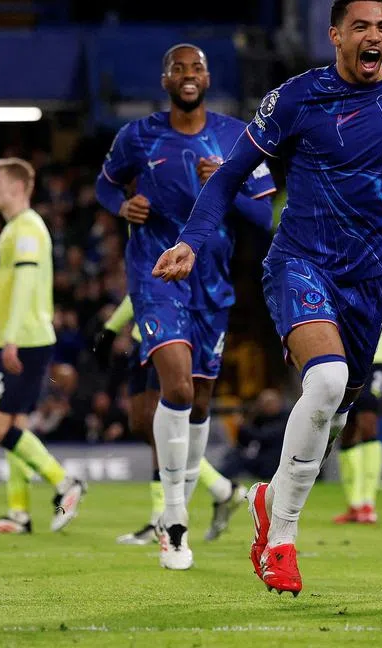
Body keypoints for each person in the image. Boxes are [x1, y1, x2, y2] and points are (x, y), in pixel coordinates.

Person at [152, 0, 382, 595]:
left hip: (369, 282)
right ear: (335, 36)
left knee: (336, 415)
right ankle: (281, 537)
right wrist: (191, 239)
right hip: (301, 263)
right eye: (361, 26)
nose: (375, 37)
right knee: (329, 381)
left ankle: (267, 502)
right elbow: (232, 173)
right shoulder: (295, 98)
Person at [96, 44, 275, 569]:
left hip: (211, 285)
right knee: (173, 388)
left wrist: (224, 180)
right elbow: (106, 185)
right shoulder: (138, 136)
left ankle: (195, 500)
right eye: (179, 68)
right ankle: (173, 521)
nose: (188, 75)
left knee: (198, 404)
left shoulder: (237, 136)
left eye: (196, 67)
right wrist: (121, 205)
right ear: (165, 78)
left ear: (207, 76)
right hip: (155, 277)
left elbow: (262, 218)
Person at [0, 158, 86, 536]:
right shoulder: (15, 229)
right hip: (21, 338)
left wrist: (10, 339)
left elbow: (24, 285)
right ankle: (18, 514)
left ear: (19, 187)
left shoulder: (26, 229)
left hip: (24, 340)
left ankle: (65, 482)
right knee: (15, 425)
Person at [93, 296, 248, 544]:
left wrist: (112, 325)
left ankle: (159, 518)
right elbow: (140, 279)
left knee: (158, 423)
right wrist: (113, 326)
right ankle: (222, 489)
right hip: (142, 334)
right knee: (142, 424)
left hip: (168, 331)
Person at [333, 262, 382, 525]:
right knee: (345, 425)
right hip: (344, 353)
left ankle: (369, 502)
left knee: (368, 422)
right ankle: (354, 503)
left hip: (377, 355)